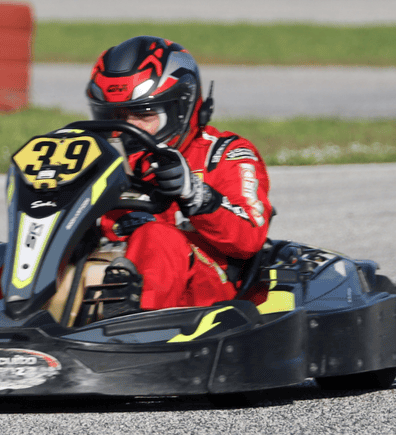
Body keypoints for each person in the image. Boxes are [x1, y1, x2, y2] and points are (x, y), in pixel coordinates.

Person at [86, 36, 271, 315]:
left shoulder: (225, 153)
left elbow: (250, 237)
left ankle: (133, 325)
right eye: (115, 116)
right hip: (112, 272)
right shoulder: (103, 157)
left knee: (157, 236)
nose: (124, 129)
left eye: (143, 115)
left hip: (205, 290)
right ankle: (18, 314)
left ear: (179, 109)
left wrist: (196, 194)